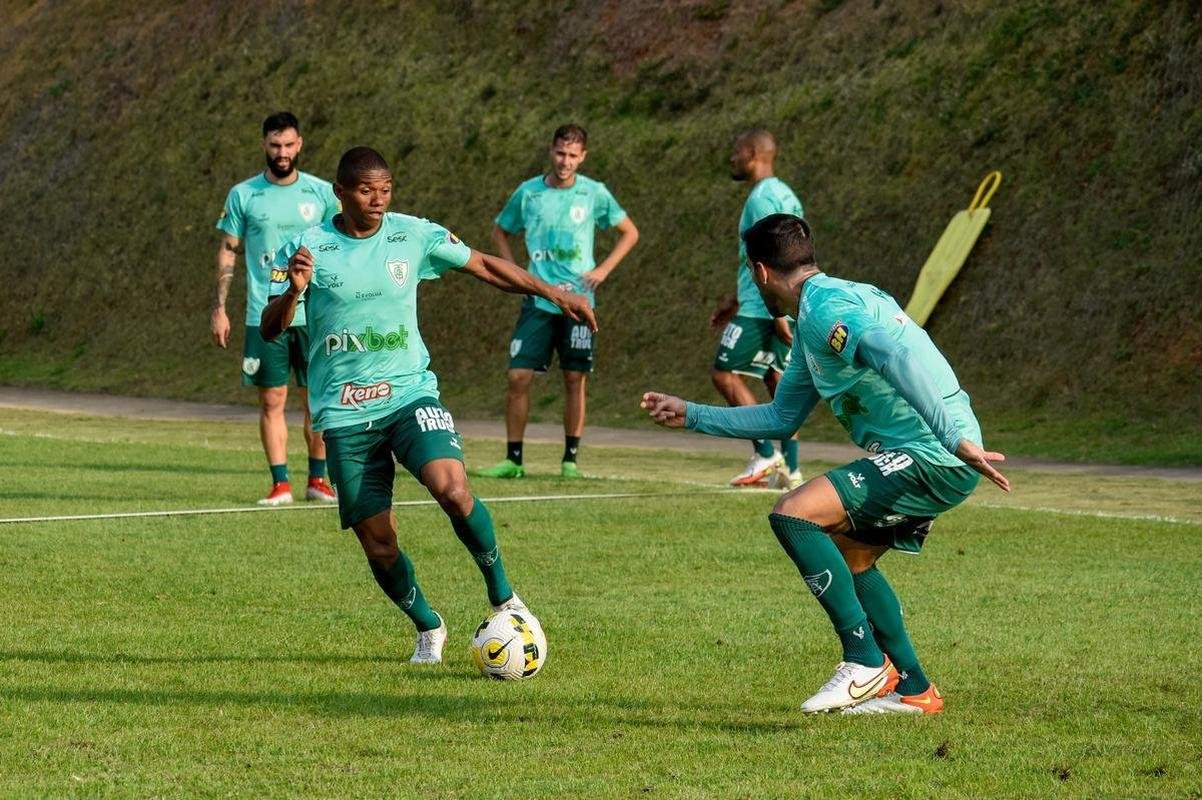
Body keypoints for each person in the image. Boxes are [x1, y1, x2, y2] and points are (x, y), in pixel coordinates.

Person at [642, 213, 1009, 715]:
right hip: (937, 452)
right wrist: (692, 414)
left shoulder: (824, 311)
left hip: (937, 454)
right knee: (850, 557)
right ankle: (916, 691)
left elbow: (893, 354)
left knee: (794, 513)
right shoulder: (822, 309)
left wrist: (955, 437)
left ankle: (863, 659)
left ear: (761, 272)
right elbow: (782, 415)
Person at [260, 146, 596, 663]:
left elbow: (484, 265)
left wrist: (555, 294)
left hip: (409, 392)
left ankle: (505, 595)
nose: (378, 199)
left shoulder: (412, 234)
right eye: (366, 190)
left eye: (386, 188)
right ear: (339, 192)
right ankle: (428, 626)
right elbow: (270, 326)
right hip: (346, 414)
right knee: (378, 542)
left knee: (453, 488)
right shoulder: (306, 249)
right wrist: (293, 293)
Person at [474, 124, 639, 479]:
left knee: (574, 379)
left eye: (573, 155)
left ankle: (570, 461)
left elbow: (630, 232)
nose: (565, 162)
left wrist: (604, 270)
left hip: (579, 302)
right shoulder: (528, 193)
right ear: (551, 151)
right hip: (538, 300)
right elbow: (500, 230)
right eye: (560, 153)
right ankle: (513, 460)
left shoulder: (594, 193)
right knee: (518, 376)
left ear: (583, 157)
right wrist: (514, 272)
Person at [211, 111, 340, 506]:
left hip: (313, 314)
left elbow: (340, 246)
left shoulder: (321, 194)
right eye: (274, 145)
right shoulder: (243, 195)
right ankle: (280, 483)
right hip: (262, 314)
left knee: (316, 399)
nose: (281, 152)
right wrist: (219, 307)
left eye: (288, 145)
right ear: (264, 145)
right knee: (272, 400)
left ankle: (317, 481)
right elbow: (228, 250)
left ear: (299, 144)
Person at [710, 129, 806, 489]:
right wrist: (732, 301)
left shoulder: (762, 199)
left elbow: (774, 258)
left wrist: (778, 312)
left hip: (763, 306)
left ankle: (766, 453)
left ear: (752, 153)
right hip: (771, 302)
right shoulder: (785, 195)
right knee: (777, 383)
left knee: (723, 373)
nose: (732, 159)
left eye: (736, 152)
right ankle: (791, 470)